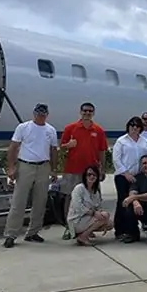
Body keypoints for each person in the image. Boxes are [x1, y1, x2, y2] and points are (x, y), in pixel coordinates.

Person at [2, 103, 58, 248]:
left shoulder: (50, 130)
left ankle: (33, 232)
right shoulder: (23, 127)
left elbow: (53, 151)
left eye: (43, 114)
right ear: (34, 114)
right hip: (25, 165)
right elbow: (13, 147)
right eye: (38, 113)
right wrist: (11, 167)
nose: (41, 116)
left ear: (47, 115)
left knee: (40, 202)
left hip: (43, 166)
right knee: (18, 202)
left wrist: (54, 169)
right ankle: (11, 234)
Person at [59, 102, 108, 240]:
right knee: (70, 198)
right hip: (73, 169)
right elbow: (61, 147)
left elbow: (102, 151)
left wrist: (102, 169)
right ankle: (69, 228)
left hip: (91, 172)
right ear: (80, 112)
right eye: (85, 111)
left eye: (90, 111)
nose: (87, 113)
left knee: (91, 200)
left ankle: (87, 226)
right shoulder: (71, 128)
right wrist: (68, 145)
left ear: (93, 113)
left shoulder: (98, 130)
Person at [112, 116, 147, 241]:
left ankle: (133, 229)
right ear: (128, 126)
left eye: (137, 126)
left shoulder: (144, 141)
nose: (134, 128)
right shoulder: (121, 141)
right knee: (123, 203)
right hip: (123, 177)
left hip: (139, 177)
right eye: (132, 125)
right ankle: (120, 230)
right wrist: (126, 173)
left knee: (137, 203)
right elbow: (116, 159)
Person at [66, 165, 113, 246]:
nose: (91, 176)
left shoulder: (96, 192)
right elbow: (78, 207)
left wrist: (103, 213)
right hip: (76, 219)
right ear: (85, 176)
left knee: (109, 222)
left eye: (94, 175)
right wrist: (94, 213)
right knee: (102, 218)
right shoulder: (79, 188)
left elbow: (98, 207)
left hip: (87, 218)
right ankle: (83, 236)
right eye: (89, 174)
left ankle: (88, 231)